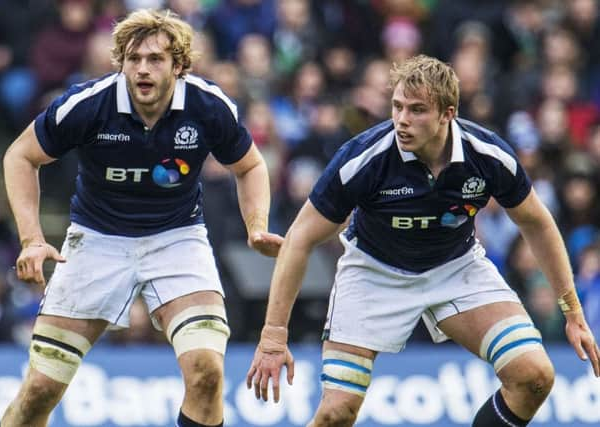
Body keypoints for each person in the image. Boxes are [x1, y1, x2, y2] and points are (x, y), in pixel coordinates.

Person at [246, 54, 600, 426]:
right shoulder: (362, 158)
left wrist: (573, 312)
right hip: (373, 272)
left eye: (417, 110)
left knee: (534, 377)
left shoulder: (488, 156)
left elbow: (538, 224)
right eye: (397, 107)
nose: (401, 120)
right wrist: (273, 336)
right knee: (336, 413)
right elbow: (299, 239)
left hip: (455, 267)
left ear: (448, 114)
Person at [1, 9, 283, 427]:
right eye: (133, 59)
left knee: (206, 372)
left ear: (180, 65)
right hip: (95, 240)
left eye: (155, 59)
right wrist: (31, 239)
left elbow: (251, 166)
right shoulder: (88, 104)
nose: (142, 70)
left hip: (177, 238)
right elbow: (21, 156)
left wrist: (256, 224)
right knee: (40, 390)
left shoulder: (208, 106)